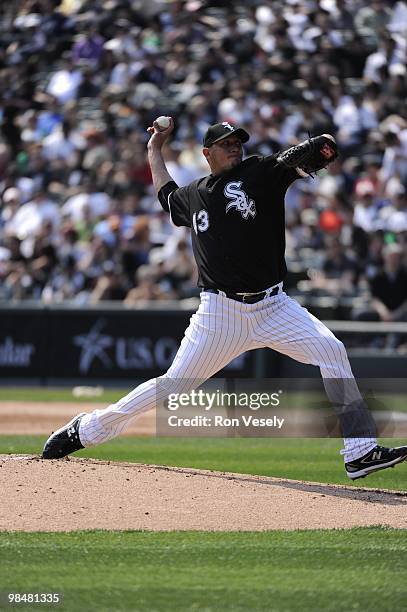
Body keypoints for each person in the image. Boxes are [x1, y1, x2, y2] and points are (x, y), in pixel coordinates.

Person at [42, 119, 407, 480]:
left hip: (274, 306)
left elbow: (321, 148)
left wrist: (318, 146)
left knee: (332, 350)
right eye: (226, 142)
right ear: (207, 153)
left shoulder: (261, 172)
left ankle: (360, 450)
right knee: (173, 386)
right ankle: (87, 429)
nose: (235, 146)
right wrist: (155, 148)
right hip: (220, 314)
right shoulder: (194, 194)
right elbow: (166, 195)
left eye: (238, 141)